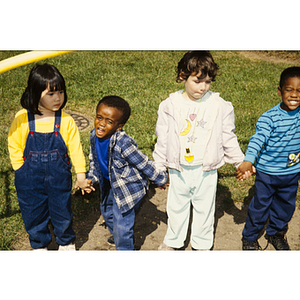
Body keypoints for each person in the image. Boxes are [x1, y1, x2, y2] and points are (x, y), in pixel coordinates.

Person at [153, 51, 246, 250]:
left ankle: (202, 244)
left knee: (205, 208)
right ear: (182, 76)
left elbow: (228, 135)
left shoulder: (219, 106)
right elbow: (163, 137)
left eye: (208, 82)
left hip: (206, 169)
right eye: (197, 81)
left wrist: (240, 161)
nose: (203, 87)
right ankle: (173, 241)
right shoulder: (170, 105)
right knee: (176, 207)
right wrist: (159, 166)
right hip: (179, 169)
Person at [8, 63, 92, 250]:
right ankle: (39, 244)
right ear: (35, 93)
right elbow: (14, 144)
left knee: (61, 210)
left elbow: (76, 148)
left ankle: (66, 241)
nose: (58, 98)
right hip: (29, 178)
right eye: (51, 94)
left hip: (58, 177)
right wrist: (19, 168)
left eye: (60, 92)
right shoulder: (23, 118)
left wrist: (80, 174)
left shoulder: (65, 120)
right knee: (33, 211)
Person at [81, 95, 167, 250]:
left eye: (109, 121)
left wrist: (160, 178)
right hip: (109, 183)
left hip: (128, 189)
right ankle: (120, 236)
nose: (101, 123)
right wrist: (90, 179)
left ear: (118, 126)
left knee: (122, 223)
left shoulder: (123, 142)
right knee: (107, 213)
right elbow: (95, 163)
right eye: (99, 117)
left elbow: (143, 162)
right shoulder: (94, 136)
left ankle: (125, 246)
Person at [237, 66, 300, 251]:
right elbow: (258, 139)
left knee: (285, 207)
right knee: (260, 207)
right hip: (267, 174)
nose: (295, 95)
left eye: (299, 90)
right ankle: (249, 237)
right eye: (289, 89)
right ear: (280, 91)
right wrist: (249, 160)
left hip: (291, 173)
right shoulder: (269, 118)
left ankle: (275, 234)